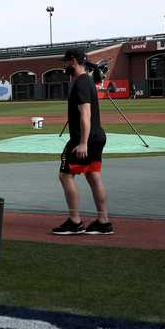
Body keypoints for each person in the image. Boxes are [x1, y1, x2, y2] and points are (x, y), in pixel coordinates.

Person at [52, 48, 114, 235]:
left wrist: (83, 143)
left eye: (66, 62)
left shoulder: (80, 83)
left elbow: (85, 114)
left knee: (65, 175)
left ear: (72, 61)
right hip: (97, 136)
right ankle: (103, 222)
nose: (64, 66)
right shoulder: (86, 80)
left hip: (84, 139)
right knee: (93, 176)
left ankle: (75, 221)